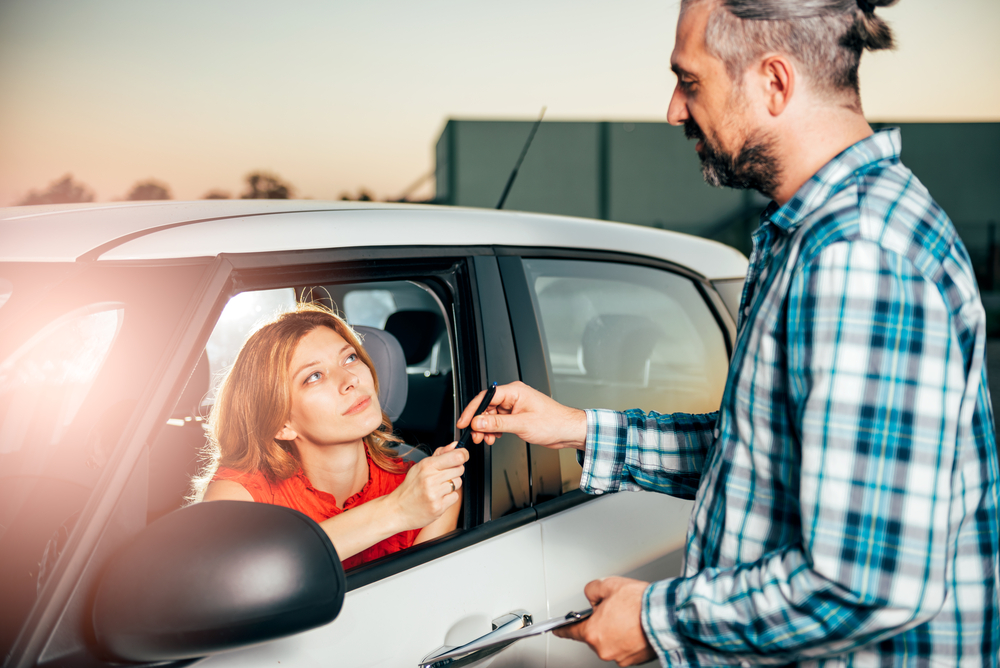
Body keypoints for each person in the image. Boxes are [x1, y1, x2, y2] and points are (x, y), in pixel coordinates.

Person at [458, 0, 999, 665]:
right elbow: (758, 454)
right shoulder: (811, 235)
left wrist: (656, 621)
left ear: (775, 82)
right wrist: (577, 427)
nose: (673, 110)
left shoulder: (859, 254)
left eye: (690, 81)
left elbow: (863, 585)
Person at [194, 303, 468, 570]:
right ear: (281, 423)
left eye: (350, 358)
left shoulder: (431, 490)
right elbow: (233, 575)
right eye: (314, 376)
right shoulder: (240, 495)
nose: (350, 379)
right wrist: (397, 510)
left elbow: (420, 604)